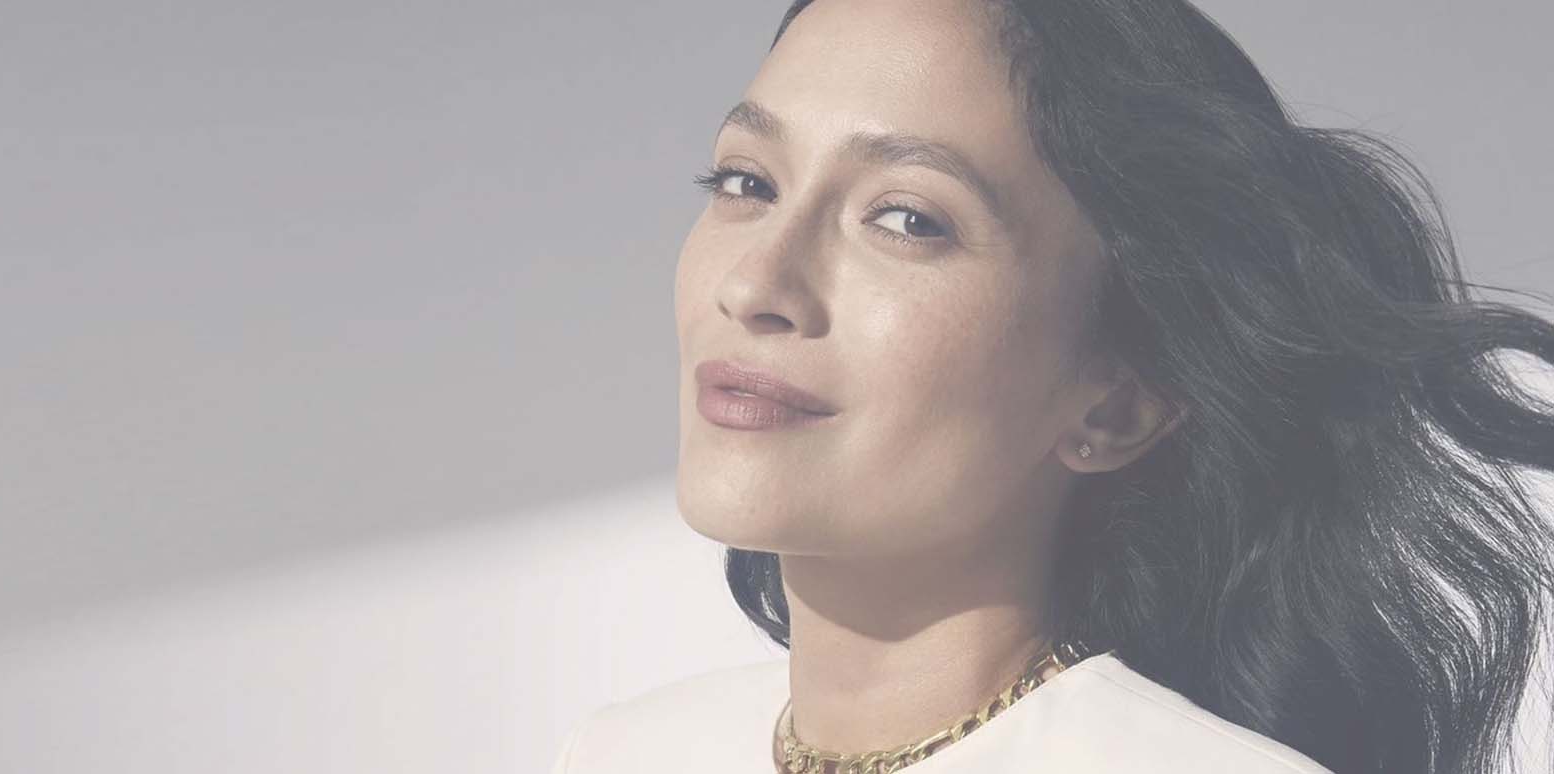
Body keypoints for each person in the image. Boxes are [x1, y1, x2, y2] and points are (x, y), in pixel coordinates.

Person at [550, 0, 1554, 773]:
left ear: (1115, 403)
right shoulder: (627, 752)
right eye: (746, 183)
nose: (754, 284)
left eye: (906, 219)